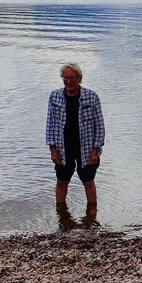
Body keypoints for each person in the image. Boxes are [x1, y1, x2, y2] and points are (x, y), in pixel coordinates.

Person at [46, 63, 105, 224]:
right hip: (62, 146)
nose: (69, 81)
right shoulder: (54, 96)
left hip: (86, 147)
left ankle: (92, 216)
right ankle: (61, 214)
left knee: (88, 181)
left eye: (72, 78)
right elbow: (50, 124)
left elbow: (99, 125)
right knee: (61, 181)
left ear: (79, 78)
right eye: (65, 78)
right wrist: (52, 149)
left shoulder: (91, 97)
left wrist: (96, 149)